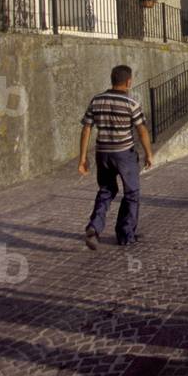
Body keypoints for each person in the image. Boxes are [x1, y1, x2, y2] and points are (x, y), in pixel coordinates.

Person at [78, 64, 153, 250]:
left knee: (106, 190)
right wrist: (148, 154)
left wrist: (82, 158)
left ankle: (94, 227)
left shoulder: (96, 101)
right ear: (128, 81)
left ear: (112, 80)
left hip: (102, 153)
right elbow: (142, 131)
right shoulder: (131, 104)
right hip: (124, 154)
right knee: (132, 193)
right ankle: (125, 234)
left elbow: (86, 128)